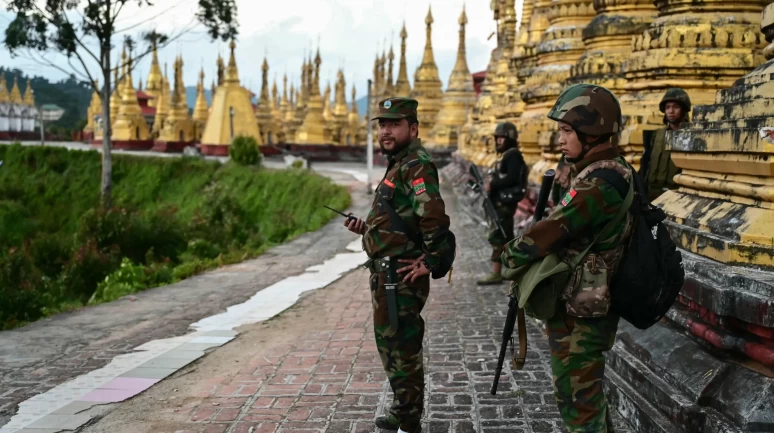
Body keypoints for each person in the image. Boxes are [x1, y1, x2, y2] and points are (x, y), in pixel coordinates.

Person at [502, 84, 634, 433]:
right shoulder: (593, 170)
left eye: (566, 131)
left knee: (579, 398)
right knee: (574, 393)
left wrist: (510, 254)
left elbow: (553, 229)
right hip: (576, 300)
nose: (559, 140)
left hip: (589, 308)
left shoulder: (601, 182)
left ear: (590, 132)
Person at [344, 97, 452, 433]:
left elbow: (432, 216)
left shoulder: (415, 164)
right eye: (382, 125)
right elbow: (403, 215)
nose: (386, 131)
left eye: (394, 124)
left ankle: (409, 422)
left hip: (400, 276)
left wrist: (432, 262)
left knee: (402, 349)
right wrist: (368, 228)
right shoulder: (399, 162)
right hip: (386, 272)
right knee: (392, 348)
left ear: (413, 128)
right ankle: (401, 410)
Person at [477, 121, 527, 285]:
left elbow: (512, 177)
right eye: (497, 138)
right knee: (504, 237)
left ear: (510, 138)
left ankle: (498, 272)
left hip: (504, 204)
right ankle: (513, 270)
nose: (498, 141)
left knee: (499, 236)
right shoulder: (506, 155)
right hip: (499, 203)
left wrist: (493, 184)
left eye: (502, 138)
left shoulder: (513, 155)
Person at [640, 88, 690, 201]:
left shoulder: (690, 136)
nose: (670, 111)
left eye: (675, 107)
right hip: (651, 194)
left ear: (684, 110)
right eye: (667, 107)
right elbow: (646, 163)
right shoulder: (656, 135)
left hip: (676, 195)